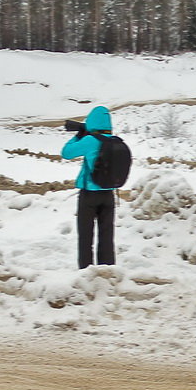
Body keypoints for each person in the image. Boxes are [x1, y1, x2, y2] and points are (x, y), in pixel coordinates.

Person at [62, 105, 118, 268]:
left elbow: (66, 152)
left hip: (89, 195)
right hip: (109, 195)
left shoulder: (90, 141)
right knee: (107, 236)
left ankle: (86, 272)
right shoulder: (114, 141)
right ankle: (107, 270)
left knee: (86, 237)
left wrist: (79, 136)